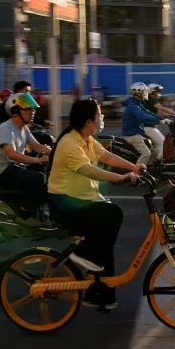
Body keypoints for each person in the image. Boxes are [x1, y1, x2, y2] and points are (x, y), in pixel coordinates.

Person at [47, 99, 143, 310]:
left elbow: (106, 156)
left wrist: (134, 168)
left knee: (104, 243)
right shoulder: (69, 144)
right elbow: (90, 170)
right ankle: (82, 254)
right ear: (89, 121)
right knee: (112, 214)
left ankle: (101, 295)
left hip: (81, 199)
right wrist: (120, 178)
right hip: (65, 204)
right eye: (100, 115)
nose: (102, 119)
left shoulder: (87, 140)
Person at [0, 93, 52, 227]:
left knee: (46, 176)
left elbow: (37, 146)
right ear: (16, 111)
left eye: (33, 109)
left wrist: (56, 152)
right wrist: (37, 160)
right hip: (2, 171)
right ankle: (23, 211)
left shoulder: (24, 128)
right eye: (28, 109)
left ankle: (35, 211)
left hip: (15, 168)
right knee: (40, 178)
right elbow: (12, 155)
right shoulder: (5, 128)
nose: (32, 112)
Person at [122, 82, 168, 166]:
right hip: (132, 135)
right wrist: (159, 121)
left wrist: (164, 119)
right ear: (137, 93)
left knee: (153, 152)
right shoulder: (133, 106)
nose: (145, 94)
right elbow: (143, 116)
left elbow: (149, 113)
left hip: (138, 134)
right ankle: (137, 173)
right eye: (144, 92)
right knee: (146, 153)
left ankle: (149, 170)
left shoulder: (137, 103)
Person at [142, 83, 175, 160]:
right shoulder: (149, 99)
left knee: (156, 145)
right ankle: (159, 162)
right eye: (157, 92)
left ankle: (155, 160)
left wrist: (170, 115)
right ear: (151, 92)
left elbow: (159, 112)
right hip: (148, 127)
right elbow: (162, 108)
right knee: (162, 143)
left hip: (149, 127)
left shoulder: (149, 101)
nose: (158, 94)